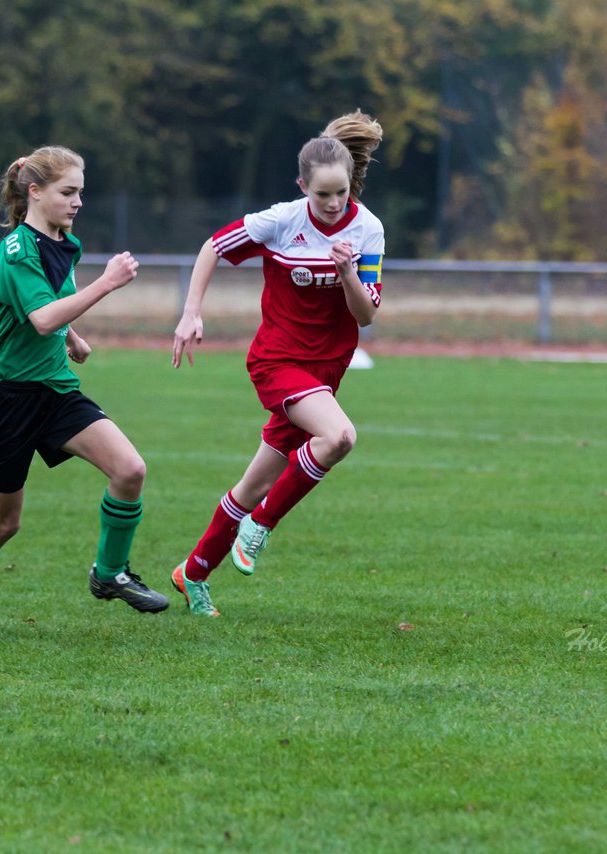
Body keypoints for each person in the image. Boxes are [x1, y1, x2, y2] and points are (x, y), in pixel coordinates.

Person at [0, 145, 168, 636]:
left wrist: (73, 338)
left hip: (54, 390)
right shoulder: (17, 249)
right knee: (4, 523)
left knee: (130, 469)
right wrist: (105, 286)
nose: (78, 201)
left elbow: (53, 306)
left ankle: (110, 574)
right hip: (5, 398)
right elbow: (40, 319)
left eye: (81, 192)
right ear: (35, 192)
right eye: (68, 192)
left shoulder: (66, 241)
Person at [169, 110, 385, 617]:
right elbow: (213, 247)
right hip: (278, 360)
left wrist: (349, 273)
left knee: (254, 483)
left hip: (327, 371)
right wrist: (191, 312)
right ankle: (262, 525)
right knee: (339, 438)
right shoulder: (282, 220)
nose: (333, 205)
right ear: (302, 187)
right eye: (321, 194)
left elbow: (366, 315)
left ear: (351, 182)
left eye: (341, 192)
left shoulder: (369, 229)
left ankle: (193, 573)